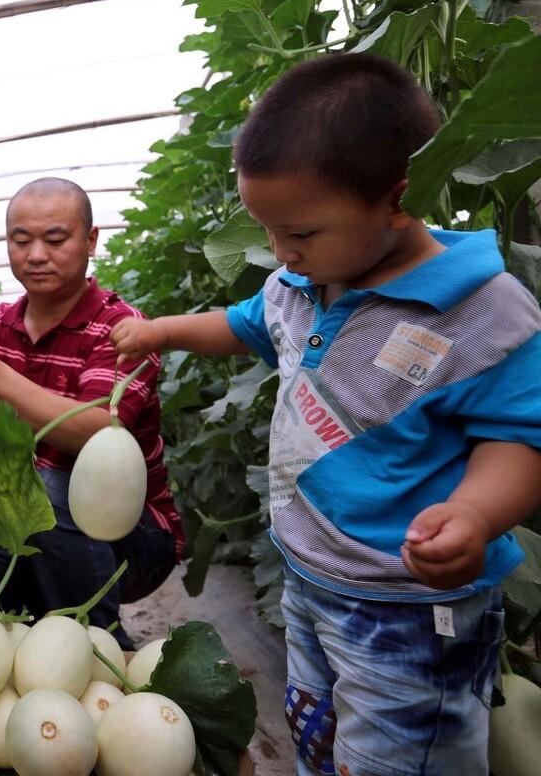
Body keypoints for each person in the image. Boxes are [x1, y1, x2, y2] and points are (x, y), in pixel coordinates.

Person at [112, 53, 541, 775]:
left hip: (410, 611)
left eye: (300, 234)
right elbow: (239, 324)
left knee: (404, 758)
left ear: (396, 200)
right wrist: (161, 331)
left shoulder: (483, 310)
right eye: (271, 233)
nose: (281, 254)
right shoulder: (298, 285)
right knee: (322, 732)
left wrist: (475, 514)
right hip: (311, 579)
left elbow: (520, 441)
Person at [0, 177, 184, 650]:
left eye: (55, 239)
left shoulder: (123, 329)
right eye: (20, 240)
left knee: (49, 487)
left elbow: (99, 434)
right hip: (30, 524)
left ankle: (102, 644)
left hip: (132, 536)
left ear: (91, 241)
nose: (36, 255)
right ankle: (41, 626)